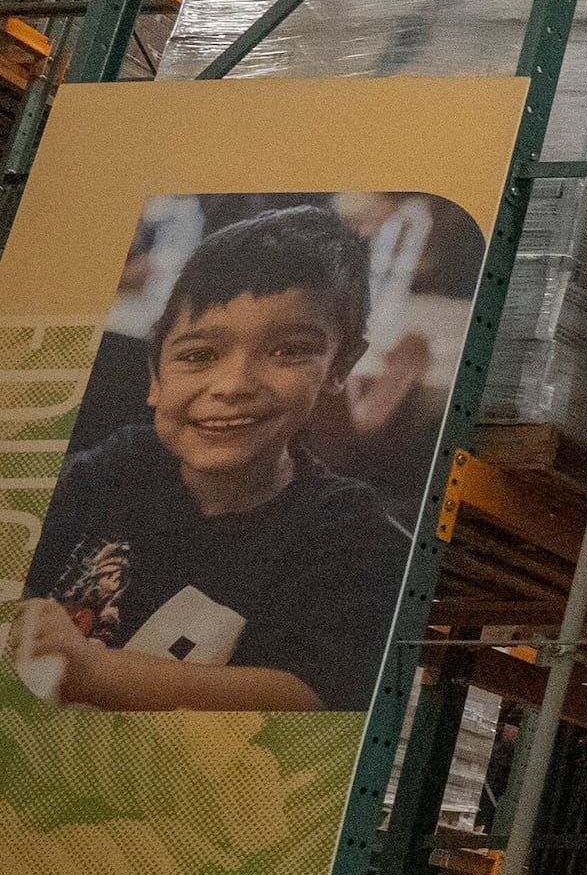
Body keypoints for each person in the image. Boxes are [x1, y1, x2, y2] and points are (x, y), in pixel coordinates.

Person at [12, 204, 410, 712]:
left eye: (289, 351)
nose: (234, 385)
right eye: (199, 355)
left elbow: (308, 699)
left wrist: (92, 671)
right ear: (156, 375)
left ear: (341, 366)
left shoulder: (345, 531)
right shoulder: (114, 468)